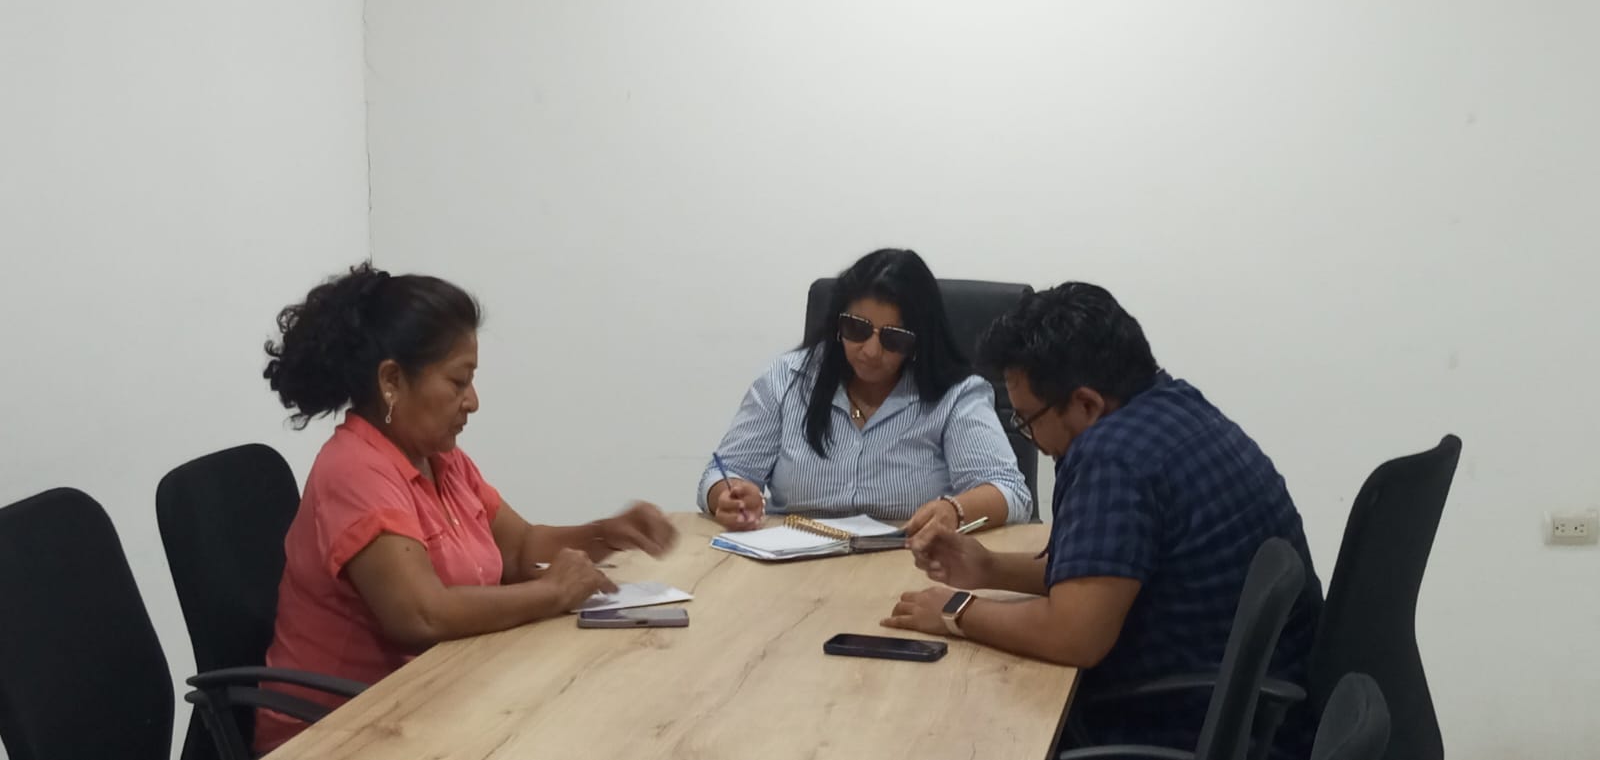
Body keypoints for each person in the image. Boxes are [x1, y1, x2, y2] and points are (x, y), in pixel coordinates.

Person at [883, 282, 1322, 758]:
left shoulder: (1113, 458)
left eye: (1027, 420)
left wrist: (955, 611)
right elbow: (1103, 573)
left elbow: (1074, 635)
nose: (1032, 439)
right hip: (1251, 714)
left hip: (1176, 726)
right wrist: (989, 568)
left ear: (1086, 404)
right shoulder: (1171, 405)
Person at [256, 263, 677, 751]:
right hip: (339, 733)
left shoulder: (440, 458)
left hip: (436, 698)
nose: (473, 401)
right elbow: (421, 615)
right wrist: (552, 592)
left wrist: (607, 532)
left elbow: (520, 548)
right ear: (392, 380)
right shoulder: (353, 469)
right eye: (458, 382)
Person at [696, 248, 1032, 535]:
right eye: (857, 329)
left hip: (911, 561)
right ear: (837, 324)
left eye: (893, 338)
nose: (870, 351)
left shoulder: (955, 395)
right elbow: (722, 473)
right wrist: (727, 496)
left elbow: (1010, 492)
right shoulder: (787, 378)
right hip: (795, 564)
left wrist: (954, 510)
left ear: (919, 342)